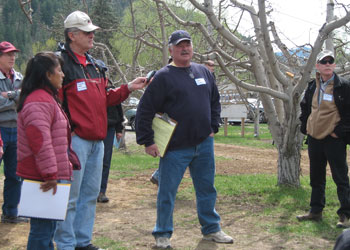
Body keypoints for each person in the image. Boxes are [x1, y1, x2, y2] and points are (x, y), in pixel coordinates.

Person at [53, 11, 147, 250]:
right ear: (72, 35)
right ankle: (65, 244)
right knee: (70, 197)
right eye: (87, 32)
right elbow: (52, 104)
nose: (92, 35)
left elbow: (105, 98)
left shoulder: (96, 65)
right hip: (74, 141)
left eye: (92, 31)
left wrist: (128, 87)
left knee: (90, 195)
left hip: (98, 140)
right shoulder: (58, 64)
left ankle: (83, 242)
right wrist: (66, 135)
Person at [135, 30, 233, 249]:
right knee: (167, 191)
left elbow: (215, 101)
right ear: (171, 50)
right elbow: (145, 110)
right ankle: (162, 234)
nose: (185, 48)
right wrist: (147, 141)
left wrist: (213, 126)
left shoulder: (203, 72)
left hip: (204, 144)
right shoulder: (163, 77)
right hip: (175, 147)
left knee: (207, 188)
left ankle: (211, 228)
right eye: (179, 45)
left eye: (187, 44)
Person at [16, 52, 78, 250]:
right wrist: (50, 174)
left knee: (47, 229)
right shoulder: (39, 102)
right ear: (47, 74)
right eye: (58, 70)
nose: (63, 75)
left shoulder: (46, 98)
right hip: (44, 177)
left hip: (50, 174)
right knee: (42, 231)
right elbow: (40, 143)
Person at [297, 50, 350, 228]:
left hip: (334, 139)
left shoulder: (344, 86)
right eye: (324, 62)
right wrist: (306, 127)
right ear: (317, 66)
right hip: (314, 138)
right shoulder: (313, 85)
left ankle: (345, 215)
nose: (328, 64)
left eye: (330, 61)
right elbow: (305, 107)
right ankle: (316, 211)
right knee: (316, 177)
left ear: (334, 65)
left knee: (340, 177)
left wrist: (339, 132)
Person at [0, 41, 27, 224]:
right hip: (0, 130)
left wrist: (8, 96)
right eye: (8, 54)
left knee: (15, 174)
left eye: (14, 54)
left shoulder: (19, 76)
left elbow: (25, 99)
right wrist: (16, 96)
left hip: (16, 129)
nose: (13, 57)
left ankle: (11, 212)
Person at [98, 93, 124, 203]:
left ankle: (101, 191)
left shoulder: (112, 91)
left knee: (105, 160)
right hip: (93, 126)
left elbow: (119, 113)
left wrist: (119, 129)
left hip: (109, 128)